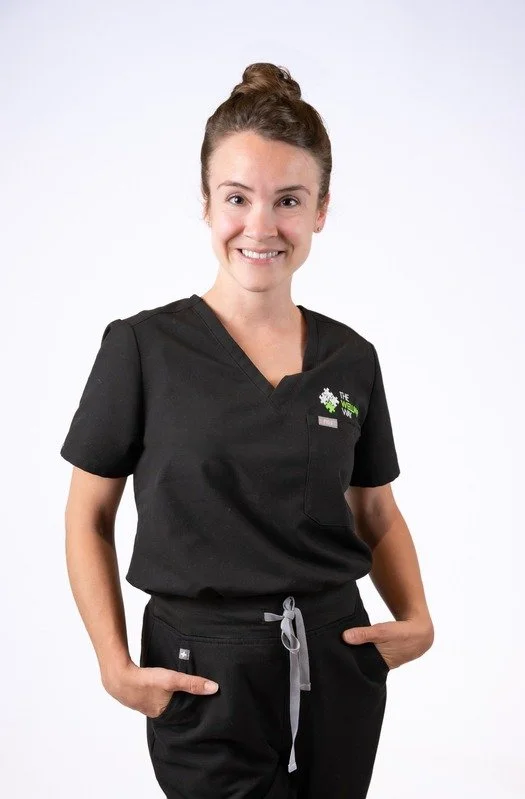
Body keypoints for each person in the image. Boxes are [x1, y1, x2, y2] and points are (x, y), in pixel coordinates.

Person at [60, 62, 434, 799]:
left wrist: (417, 619)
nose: (260, 226)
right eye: (237, 197)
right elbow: (87, 515)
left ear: (321, 209)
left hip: (334, 660)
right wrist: (113, 663)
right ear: (205, 202)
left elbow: (375, 512)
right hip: (201, 670)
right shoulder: (141, 348)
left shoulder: (349, 359)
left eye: (288, 200)